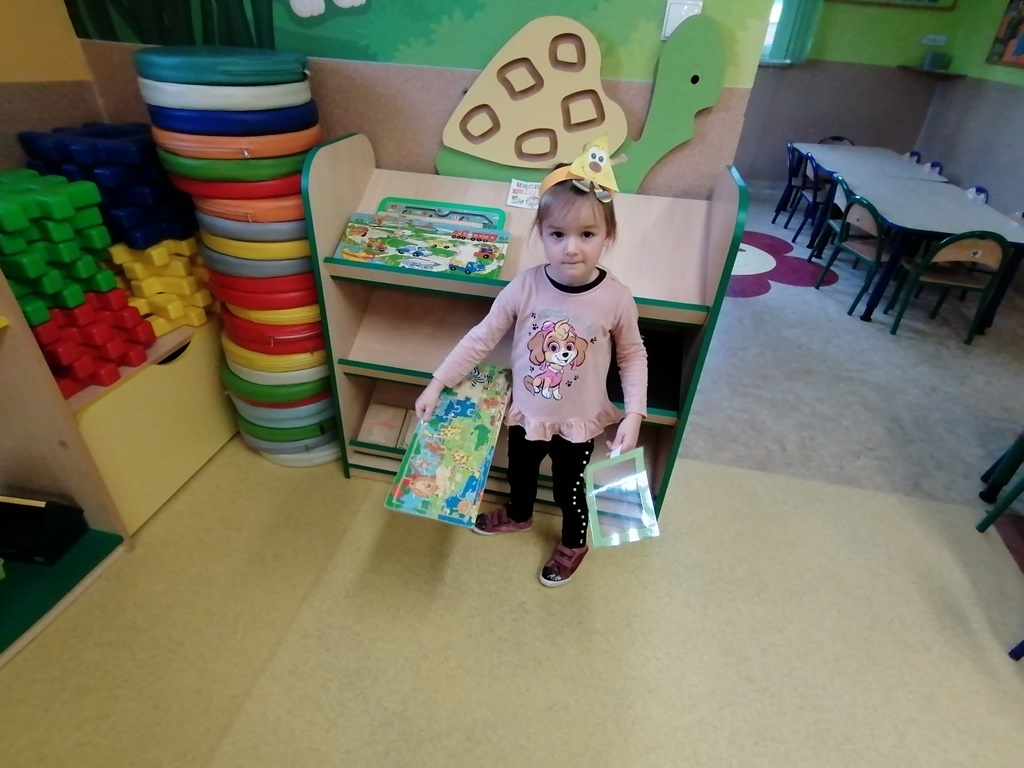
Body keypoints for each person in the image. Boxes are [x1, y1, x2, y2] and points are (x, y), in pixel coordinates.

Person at [414, 152, 648, 587]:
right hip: (526, 414)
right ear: (541, 233)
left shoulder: (616, 298)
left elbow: (632, 355)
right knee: (519, 474)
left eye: (587, 234)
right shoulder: (525, 286)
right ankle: (519, 515)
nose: (571, 247)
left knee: (567, 490)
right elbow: (482, 337)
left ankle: (574, 544)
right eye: (558, 234)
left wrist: (634, 413)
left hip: (577, 423)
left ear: (608, 235)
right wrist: (437, 383)